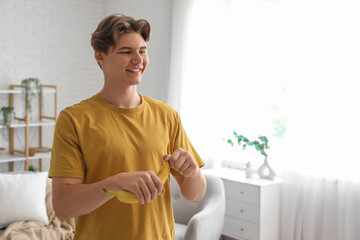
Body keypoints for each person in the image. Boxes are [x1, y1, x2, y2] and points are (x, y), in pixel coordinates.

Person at [49, 14, 206, 240]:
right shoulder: (74, 119)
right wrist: (113, 183)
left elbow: (196, 194)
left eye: (142, 51)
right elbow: (63, 206)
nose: (138, 60)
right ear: (100, 55)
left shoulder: (167, 115)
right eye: (126, 51)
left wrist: (192, 173)